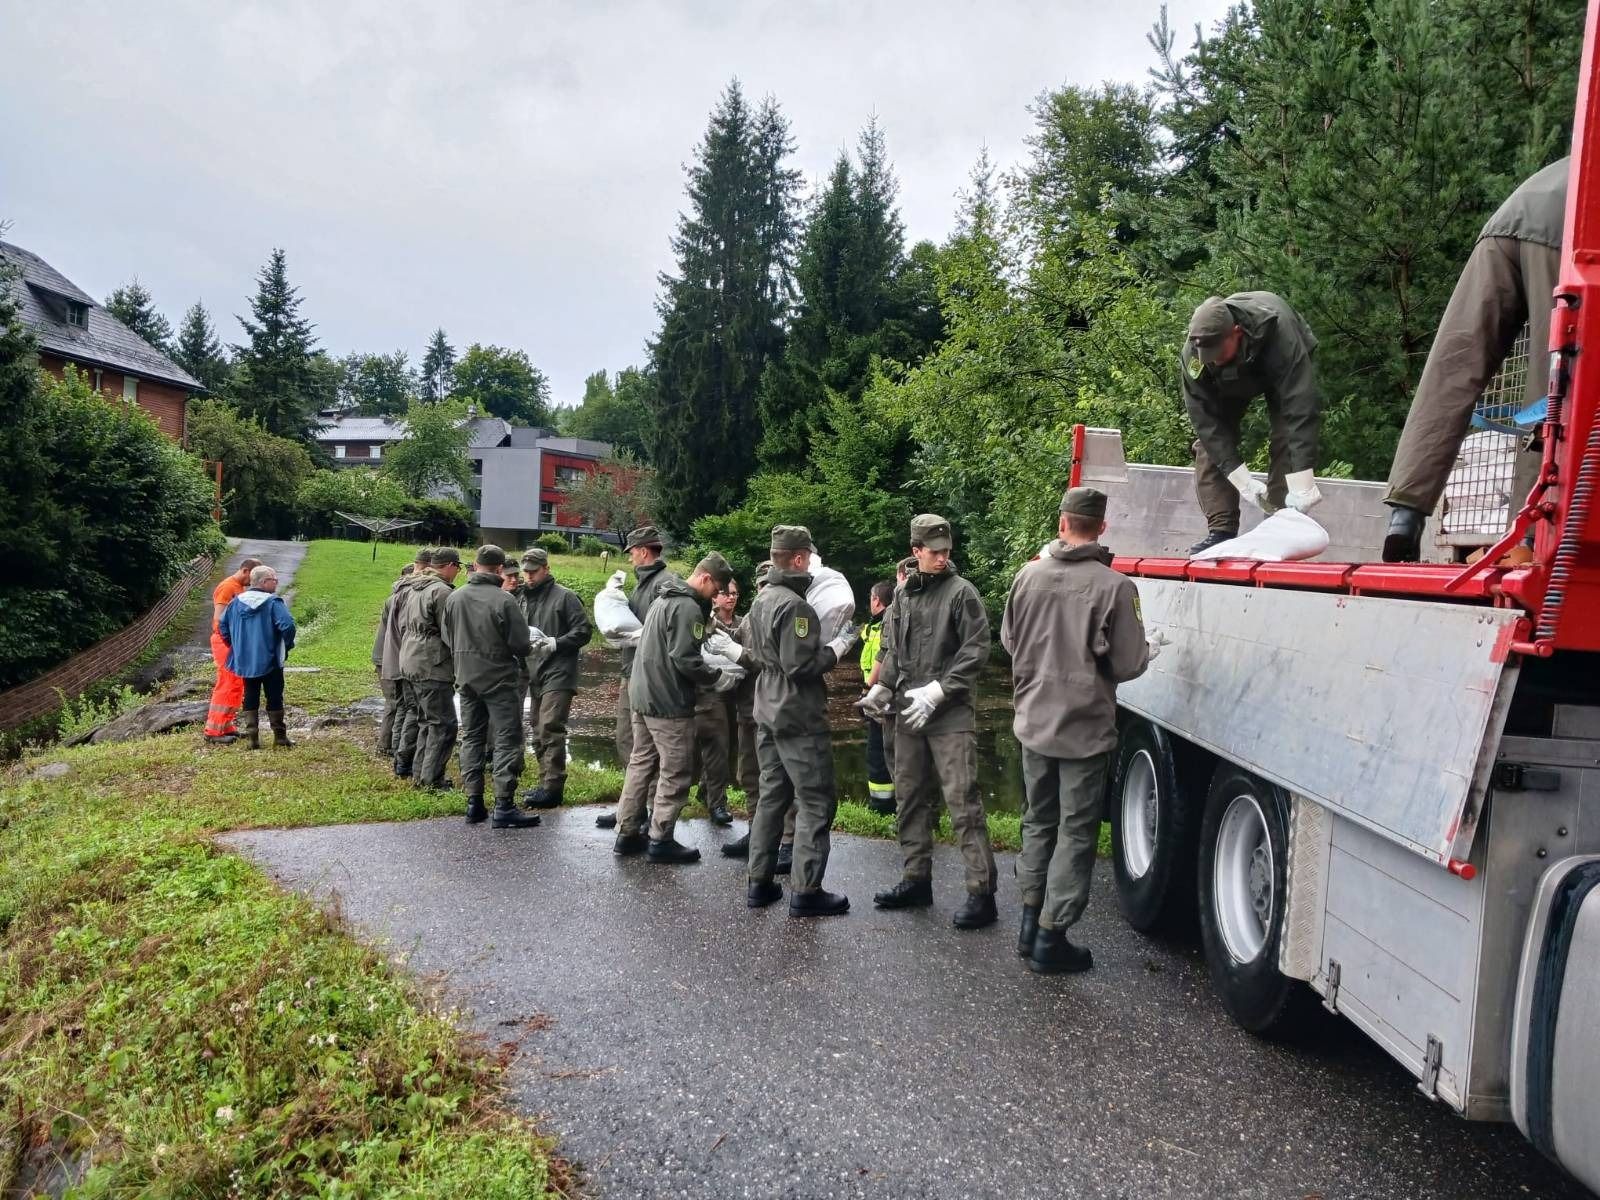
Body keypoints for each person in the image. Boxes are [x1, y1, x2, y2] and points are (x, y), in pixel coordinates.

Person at [1382, 157, 1569, 562]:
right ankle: (1530, 537)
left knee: (1453, 367)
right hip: (1569, 229)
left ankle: (1404, 515)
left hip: (1509, 219)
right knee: (1556, 386)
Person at [1001, 487, 1156, 973]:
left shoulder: (1026, 576)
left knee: (1037, 820)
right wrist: (1147, 650)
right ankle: (1051, 937)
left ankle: (1029, 924)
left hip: (1033, 723)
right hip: (1084, 731)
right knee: (1075, 830)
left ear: (1062, 522)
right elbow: (1127, 664)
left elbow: (1009, 641)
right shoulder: (1116, 587)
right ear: (1102, 528)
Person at [861, 515, 997, 930]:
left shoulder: (961, 593)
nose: (942, 558)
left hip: (949, 712)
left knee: (962, 800)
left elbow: (977, 648)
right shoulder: (903, 595)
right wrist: (883, 687)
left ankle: (981, 892)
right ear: (916, 551)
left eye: (946, 551)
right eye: (934, 551)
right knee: (909, 795)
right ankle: (916, 878)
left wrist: (941, 689)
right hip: (907, 711)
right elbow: (893, 648)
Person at [733, 526, 858, 917]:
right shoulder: (796, 607)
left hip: (766, 707)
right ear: (799, 558)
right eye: (809, 558)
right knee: (817, 799)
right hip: (797, 712)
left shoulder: (761, 599)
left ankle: (759, 883)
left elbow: (755, 653)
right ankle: (806, 891)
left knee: (772, 796)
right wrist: (838, 648)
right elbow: (800, 666)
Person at [613, 553, 739, 863]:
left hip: (641, 695)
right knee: (676, 770)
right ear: (705, 578)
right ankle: (661, 838)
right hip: (667, 701)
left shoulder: (663, 599)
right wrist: (717, 678)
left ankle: (627, 833)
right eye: (717, 589)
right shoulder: (687, 607)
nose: (717, 596)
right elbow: (686, 659)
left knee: (640, 763)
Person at [1180, 291, 1324, 555]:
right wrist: (1241, 478)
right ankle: (1221, 530)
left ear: (1236, 332)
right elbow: (1206, 421)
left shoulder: (1280, 332)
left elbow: (1300, 410)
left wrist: (1303, 483)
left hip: (1279, 365)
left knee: (1285, 437)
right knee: (1211, 445)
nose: (1212, 358)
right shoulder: (1195, 354)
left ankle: (1280, 523)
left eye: (1217, 352)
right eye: (1207, 354)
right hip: (1230, 379)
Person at [442, 546, 540, 828]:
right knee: (507, 738)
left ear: (475, 565)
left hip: (465, 677)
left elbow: (448, 636)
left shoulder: (454, 597)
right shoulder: (505, 600)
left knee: (472, 737)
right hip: (499, 680)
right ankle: (504, 805)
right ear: (499, 569)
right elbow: (520, 644)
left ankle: (474, 802)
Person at [714, 560, 797, 869]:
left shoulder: (786, 613)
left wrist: (737, 653)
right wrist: (714, 629)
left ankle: (788, 841)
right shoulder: (751, 616)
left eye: (768, 584)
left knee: (780, 778)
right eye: (760, 585)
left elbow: (776, 662)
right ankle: (756, 833)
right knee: (749, 775)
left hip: (775, 712)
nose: (764, 590)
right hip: (747, 709)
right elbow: (736, 639)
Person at [596, 526, 681, 830]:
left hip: (653, 678)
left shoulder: (666, 584)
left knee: (651, 748)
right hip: (631, 672)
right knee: (628, 741)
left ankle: (652, 812)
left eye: (631, 552)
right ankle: (630, 808)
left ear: (644, 551)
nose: (630, 558)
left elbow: (671, 633)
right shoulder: (641, 584)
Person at [518, 547, 593, 809]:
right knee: (537, 728)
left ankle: (553, 788)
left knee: (550, 726)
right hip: (534, 671)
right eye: (526, 572)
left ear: (546, 569)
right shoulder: (522, 598)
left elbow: (584, 631)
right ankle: (544, 783)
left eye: (534, 571)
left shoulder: (565, 597)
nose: (529, 576)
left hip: (559, 671)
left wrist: (556, 643)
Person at [398, 545, 461, 791]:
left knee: (426, 721)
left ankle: (420, 775)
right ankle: (432, 780)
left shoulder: (415, 587)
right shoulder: (441, 592)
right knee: (444, 724)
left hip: (411, 659)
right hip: (432, 664)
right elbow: (450, 634)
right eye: (458, 568)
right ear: (450, 566)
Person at [218, 564, 297, 750]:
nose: (276, 583)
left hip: (245, 659)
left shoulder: (235, 603)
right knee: (274, 695)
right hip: (271, 658)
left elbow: (223, 626)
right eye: (274, 580)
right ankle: (280, 737)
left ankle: (253, 738)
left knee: (250, 694)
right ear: (263, 582)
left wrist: (236, 647)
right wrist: (287, 645)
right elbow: (288, 625)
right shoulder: (273, 603)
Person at [692, 577, 741, 828]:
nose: (731, 597)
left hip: (738, 693)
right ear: (714, 597)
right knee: (717, 745)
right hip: (711, 692)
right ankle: (718, 803)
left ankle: (705, 788)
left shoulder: (743, 624)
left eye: (734, 593)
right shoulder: (705, 623)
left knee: (732, 747)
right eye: (726, 593)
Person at [202, 556, 263, 745]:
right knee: (228, 682)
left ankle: (226, 726)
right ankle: (213, 731)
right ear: (245, 571)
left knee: (236, 683)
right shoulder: (228, 587)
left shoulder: (238, 588)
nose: (253, 581)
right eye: (252, 576)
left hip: (231, 642)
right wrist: (233, 640)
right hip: (224, 641)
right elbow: (219, 620)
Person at [391, 548, 435, 779]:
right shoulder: (421, 591)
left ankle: (402, 760)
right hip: (420, 660)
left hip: (405, 658)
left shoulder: (403, 588)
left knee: (410, 711)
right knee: (421, 714)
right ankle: (411, 764)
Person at [858, 579, 896, 815]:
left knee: (879, 751)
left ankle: (883, 806)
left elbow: (883, 658)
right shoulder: (873, 626)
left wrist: (867, 689)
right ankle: (884, 804)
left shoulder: (887, 625)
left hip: (881, 695)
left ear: (876, 600)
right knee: (882, 749)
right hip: (876, 693)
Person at [372, 562, 416, 759]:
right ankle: (385, 745)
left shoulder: (396, 598)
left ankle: (392, 743)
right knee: (394, 703)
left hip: (389, 655)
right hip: (387, 657)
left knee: (398, 702)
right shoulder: (397, 600)